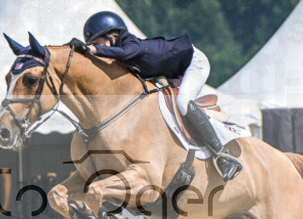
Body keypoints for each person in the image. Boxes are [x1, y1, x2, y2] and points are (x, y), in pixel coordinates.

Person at [69, 11, 242, 181]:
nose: (97, 48)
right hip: (170, 72)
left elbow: (123, 53)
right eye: (93, 44)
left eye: (98, 43)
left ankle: (223, 156)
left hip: (193, 63)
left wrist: (90, 49)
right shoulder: (122, 53)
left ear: (111, 37)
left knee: (183, 102)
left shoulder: (130, 46)